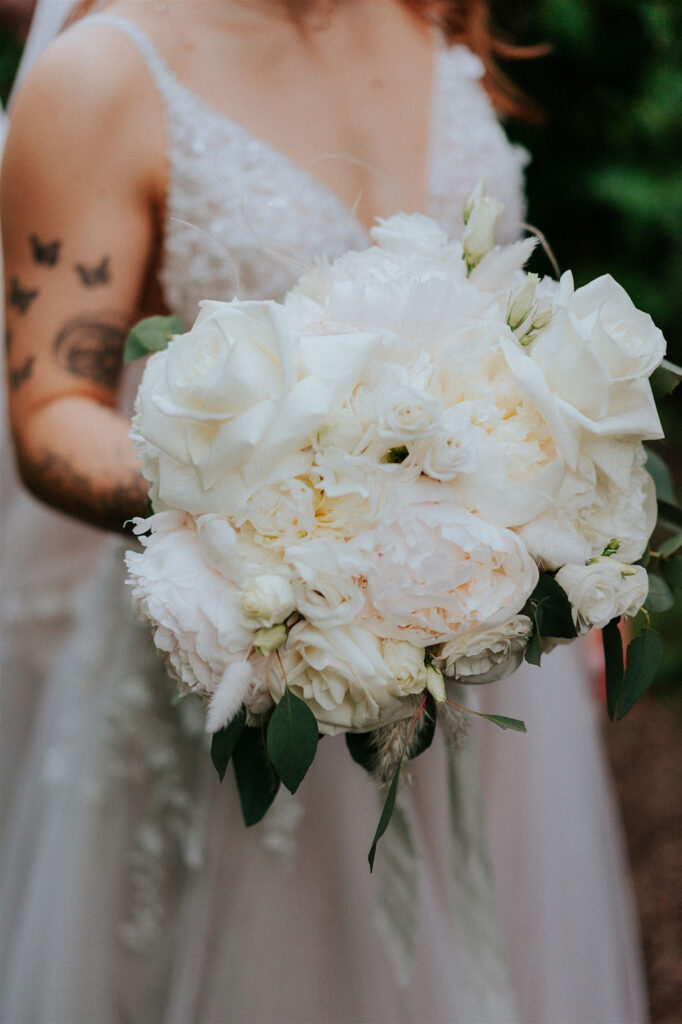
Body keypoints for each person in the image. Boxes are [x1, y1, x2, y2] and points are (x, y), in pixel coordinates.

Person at [1, 2, 647, 1021]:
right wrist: (291, 527)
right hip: (256, 676)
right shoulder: (103, 77)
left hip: (482, 669)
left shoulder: (427, 13)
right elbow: (49, 413)